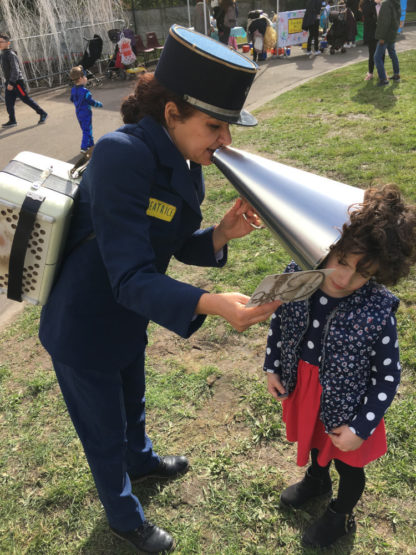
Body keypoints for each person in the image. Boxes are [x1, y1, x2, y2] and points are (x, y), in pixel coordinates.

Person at [39, 25, 279, 554]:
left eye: (228, 127)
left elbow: (159, 242)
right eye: (215, 125)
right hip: (84, 322)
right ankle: (124, 516)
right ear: (172, 113)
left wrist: (218, 234)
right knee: (102, 428)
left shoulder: (182, 156)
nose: (225, 141)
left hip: (128, 312)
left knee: (132, 399)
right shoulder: (122, 155)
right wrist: (211, 305)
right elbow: (128, 274)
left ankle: (142, 459)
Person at [263, 185, 416, 549]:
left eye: (363, 273)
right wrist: (272, 365)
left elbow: (388, 376)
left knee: (349, 465)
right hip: (307, 390)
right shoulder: (299, 276)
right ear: (326, 244)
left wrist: (361, 427)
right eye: (342, 261)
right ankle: (317, 480)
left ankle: (341, 515)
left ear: (380, 273)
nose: (345, 278)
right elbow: (279, 324)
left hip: (349, 409)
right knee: (317, 443)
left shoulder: (377, 310)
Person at [0, 33, 48, 128]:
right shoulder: (3, 54)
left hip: (16, 82)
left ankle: (42, 113)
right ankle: (12, 120)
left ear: (8, 43)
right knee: (8, 102)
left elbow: (15, 70)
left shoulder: (11, 54)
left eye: (1, 42)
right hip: (9, 82)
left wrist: (12, 82)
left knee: (25, 99)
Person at [69, 65, 103, 154]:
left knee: (87, 129)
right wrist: (98, 104)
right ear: (80, 78)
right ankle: (83, 147)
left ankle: (91, 145)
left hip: (78, 113)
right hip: (86, 113)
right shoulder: (85, 91)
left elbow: (71, 99)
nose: (86, 78)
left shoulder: (73, 90)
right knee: (86, 130)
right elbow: (90, 101)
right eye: (85, 76)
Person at [374, 0, 401, 86]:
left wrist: (382, 37)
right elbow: (397, 19)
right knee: (392, 54)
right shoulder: (396, 3)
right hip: (392, 33)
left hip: (386, 36)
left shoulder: (386, 4)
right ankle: (396, 75)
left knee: (377, 57)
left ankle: (383, 79)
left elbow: (384, 22)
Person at [360, 0, 382, 80]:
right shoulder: (366, 4)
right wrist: (375, 3)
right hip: (371, 33)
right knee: (372, 53)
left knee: (381, 53)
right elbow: (366, 12)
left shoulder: (381, 4)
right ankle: (370, 73)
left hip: (380, 32)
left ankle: (381, 73)